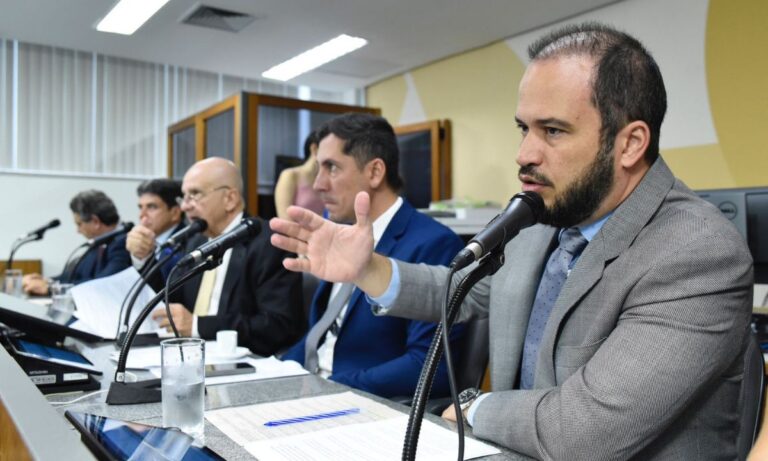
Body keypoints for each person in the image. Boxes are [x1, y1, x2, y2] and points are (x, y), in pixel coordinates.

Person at [270, 22, 754, 459]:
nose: (524, 154)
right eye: (525, 128)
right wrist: (367, 268)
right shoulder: (546, 213)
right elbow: (459, 291)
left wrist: (475, 408)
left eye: (554, 131)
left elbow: (584, 433)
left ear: (630, 143)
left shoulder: (697, 251)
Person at [281, 113, 466, 398]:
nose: (317, 184)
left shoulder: (434, 243)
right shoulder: (339, 235)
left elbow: (428, 366)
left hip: (363, 406)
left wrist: (333, 388)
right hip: (312, 392)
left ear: (375, 172)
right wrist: (274, 373)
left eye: (331, 168)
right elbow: (320, 336)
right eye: (318, 168)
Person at [150, 157, 304, 356]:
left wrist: (199, 326)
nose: (186, 206)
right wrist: (143, 260)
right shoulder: (196, 241)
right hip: (191, 356)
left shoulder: (270, 243)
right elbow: (171, 300)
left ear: (230, 199)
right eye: (184, 197)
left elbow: (277, 325)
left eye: (195, 194)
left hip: (247, 364)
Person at [23, 190, 131, 295]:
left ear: (95, 221)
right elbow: (76, 275)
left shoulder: (124, 243)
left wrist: (51, 288)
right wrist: (47, 281)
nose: (78, 231)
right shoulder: (99, 241)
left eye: (79, 224)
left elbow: (102, 284)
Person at [125, 178, 184, 279]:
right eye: (140, 207)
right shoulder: (136, 242)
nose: (142, 215)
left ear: (175, 213)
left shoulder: (188, 244)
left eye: (151, 207)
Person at [274, 130, 325, 219]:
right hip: (293, 232)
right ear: (314, 148)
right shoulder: (290, 175)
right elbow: (284, 218)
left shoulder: (327, 180)